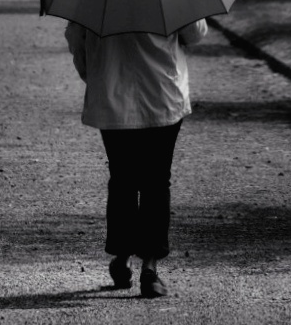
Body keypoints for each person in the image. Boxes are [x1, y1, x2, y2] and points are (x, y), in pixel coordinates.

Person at [65, 18, 208, 299]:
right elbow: (195, 34)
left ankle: (123, 255)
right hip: (162, 94)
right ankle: (150, 269)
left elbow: (76, 37)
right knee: (156, 180)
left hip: (112, 96)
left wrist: (94, 75)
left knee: (122, 178)